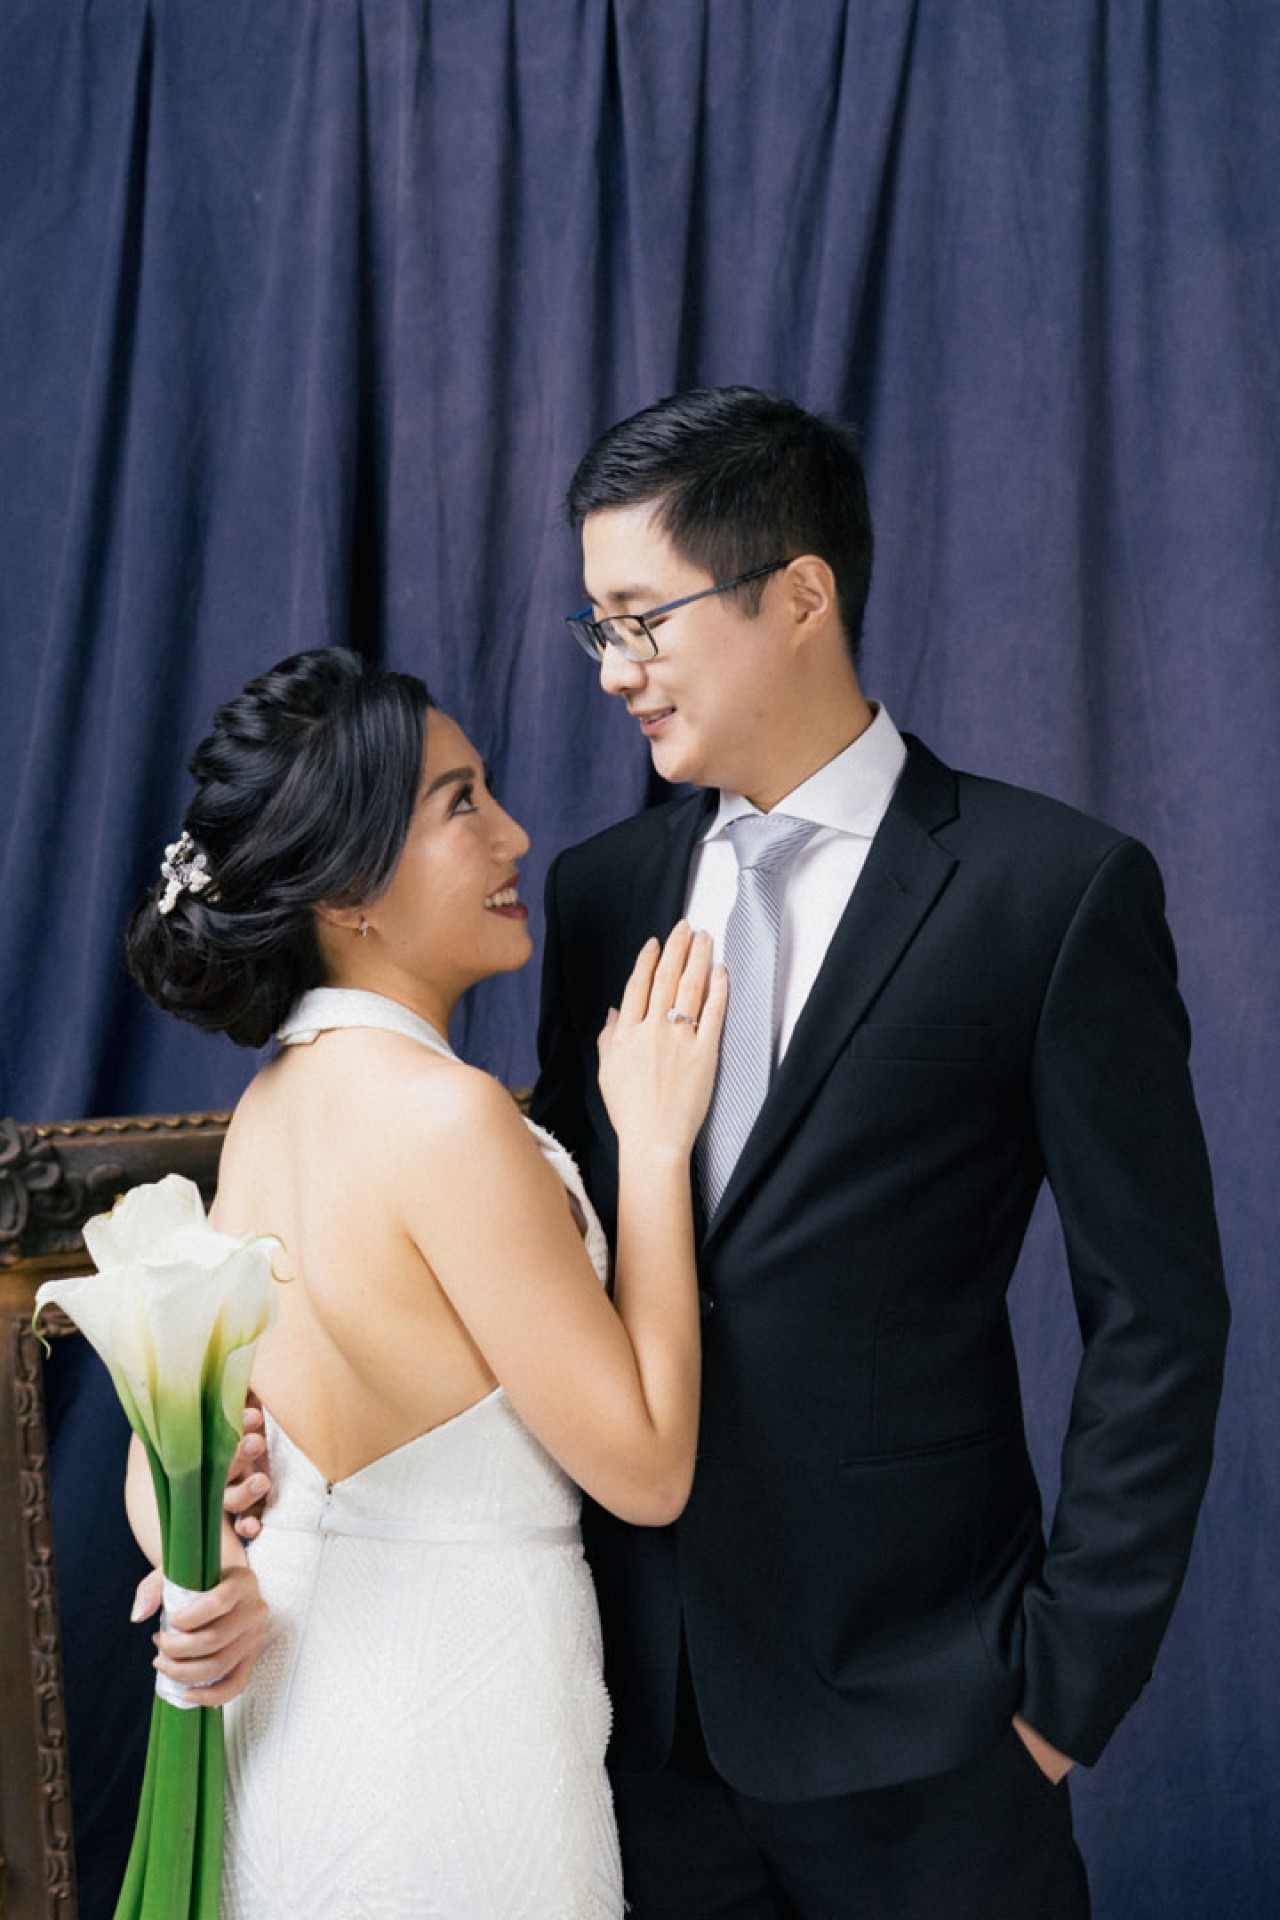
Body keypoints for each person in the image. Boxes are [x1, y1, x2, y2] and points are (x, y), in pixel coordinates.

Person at [530, 385, 1230, 1919]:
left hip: (938, 1728)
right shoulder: (598, 895)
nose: (615, 672)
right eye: (598, 629)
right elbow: (544, 1263)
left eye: (644, 621)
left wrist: (1064, 1692)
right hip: (637, 1720)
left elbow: (1158, 1314)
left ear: (800, 595)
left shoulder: (1050, 891)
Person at [122, 645, 726, 1917]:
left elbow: (176, 1445)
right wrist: (654, 1148)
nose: (513, 836)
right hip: (463, 1745)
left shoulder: (271, 1110)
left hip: (300, 1734)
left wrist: (195, 1558)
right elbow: (646, 1466)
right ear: (350, 891)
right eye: (461, 804)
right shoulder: (445, 1121)